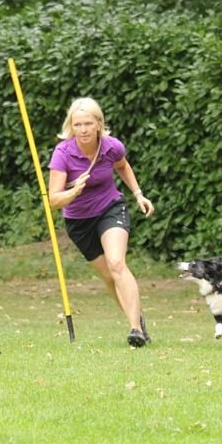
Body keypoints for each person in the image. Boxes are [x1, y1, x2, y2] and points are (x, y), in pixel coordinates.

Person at [48, 97, 155, 347]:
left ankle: (135, 329)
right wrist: (74, 191)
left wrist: (138, 194)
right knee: (108, 275)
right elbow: (54, 200)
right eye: (77, 125)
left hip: (110, 208)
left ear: (98, 124)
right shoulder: (63, 153)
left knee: (116, 263)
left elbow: (123, 166)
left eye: (88, 124)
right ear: (71, 126)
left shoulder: (111, 147)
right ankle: (137, 319)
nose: (83, 130)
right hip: (78, 222)